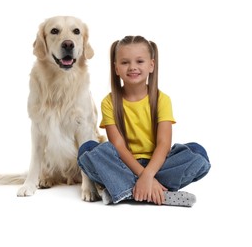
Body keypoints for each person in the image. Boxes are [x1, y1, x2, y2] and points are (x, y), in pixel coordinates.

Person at [77, 35, 211, 207]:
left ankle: (123, 190)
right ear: (116, 68)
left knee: (197, 152)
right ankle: (158, 192)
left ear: (151, 65)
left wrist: (148, 175)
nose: (132, 67)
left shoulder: (162, 100)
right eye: (125, 62)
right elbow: (118, 145)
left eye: (139, 61)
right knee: (87, 149)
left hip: (159, 165)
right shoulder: (109, 102)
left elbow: (164, 144)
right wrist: (143, 175)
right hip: (123, 163)